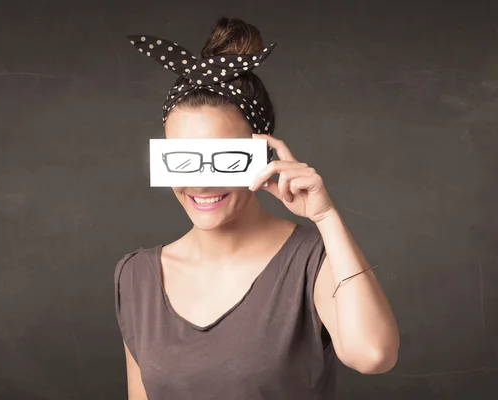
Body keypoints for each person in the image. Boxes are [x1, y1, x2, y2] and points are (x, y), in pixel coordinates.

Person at [115, 17, 399, 400]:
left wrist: (326, 217)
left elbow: (373, 355)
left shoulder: (313, 260)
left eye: (225, 158)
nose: (201, 181)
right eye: (181, 159)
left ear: (263, 154)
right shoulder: (135, 276)